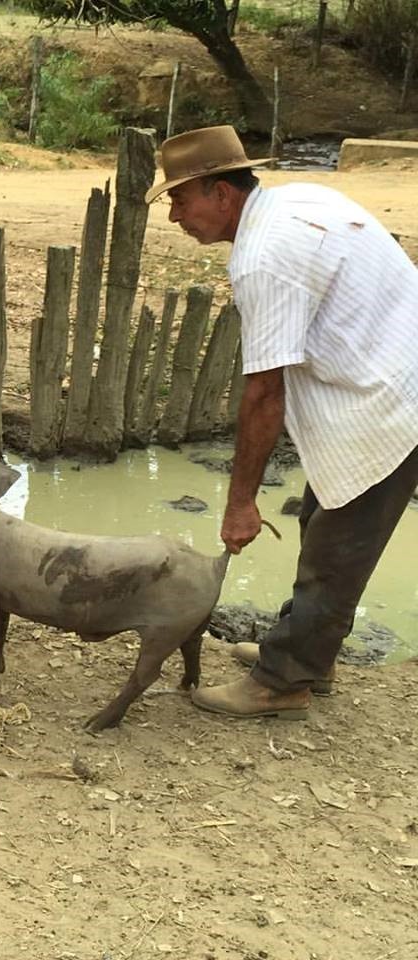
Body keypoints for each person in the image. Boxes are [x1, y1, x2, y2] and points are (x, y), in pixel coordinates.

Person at [145, 125, 418, 720]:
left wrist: (240, 502)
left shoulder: (264, 258)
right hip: (384, 372)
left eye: (178, 199)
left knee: (337, 548)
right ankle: (304, 652)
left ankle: (285, 681)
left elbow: (265, 392)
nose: (173, 217)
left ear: (220, 193)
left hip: (391, 400)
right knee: (325, 523)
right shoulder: (296, 200)